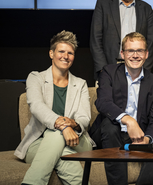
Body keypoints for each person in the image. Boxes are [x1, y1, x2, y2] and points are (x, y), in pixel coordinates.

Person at [14, 30, 94, 185]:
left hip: (77, 141)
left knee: (56, 134)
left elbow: (84, 117)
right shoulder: (35, 78)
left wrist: (72, 125)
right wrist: (63, 126)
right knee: (59, 141)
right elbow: (37, 106)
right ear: (51, 53)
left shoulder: (81, 84)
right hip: (38, 143)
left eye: (70, 53)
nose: (65, 56)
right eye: (61, 51)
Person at [89, 32, 153, 185]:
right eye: (130, 51)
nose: (135, 55)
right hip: (107, 134)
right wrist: (129, 120)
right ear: (122, 54)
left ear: (146, 54)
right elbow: (102, 102)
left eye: (140, 51)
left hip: (136, 138)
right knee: (110, 126)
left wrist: (147, 139)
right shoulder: (108, 72)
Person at [90, 0, 153, 80]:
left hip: (137, 70)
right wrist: (103, 70)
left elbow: (150, 44)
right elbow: (95, 40)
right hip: (108, 69)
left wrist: (145, 71)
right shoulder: (103, 4)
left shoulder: (146, 8)